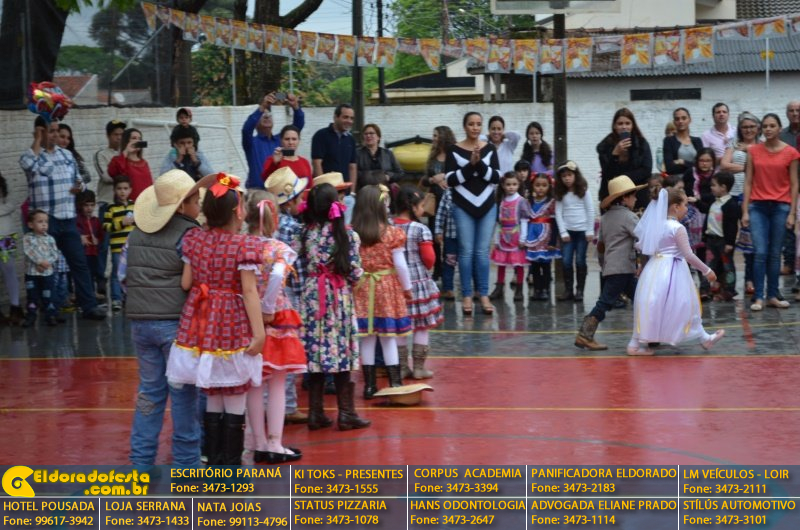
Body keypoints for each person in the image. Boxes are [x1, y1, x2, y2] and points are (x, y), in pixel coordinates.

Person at [166, 172, 265, 466]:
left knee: (213, 393)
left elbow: (186, 283)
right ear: (237, 211)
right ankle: (231, 469)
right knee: (234, 392)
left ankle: (214, 463)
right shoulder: (243, 245)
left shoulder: (194, 239)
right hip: (231, 322)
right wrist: (259, 333)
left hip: (201, 322)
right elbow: (249, 291)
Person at [125, 169, 203, 468]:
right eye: (195, 201)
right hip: (174, 324)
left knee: (149, 391)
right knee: (183, 393)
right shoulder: (190, 235)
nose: (199, 206)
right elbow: (197, 281)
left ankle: (141, 459)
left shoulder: (136, 234)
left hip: (140, 322)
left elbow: (123, 277)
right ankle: (187, 462)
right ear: (182, 206)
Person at [296, 183, 370, 431]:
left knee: (315, 353)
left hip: (311, 297)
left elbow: (296, 264)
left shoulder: (304, 233)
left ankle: (315, 413)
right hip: (337, 297)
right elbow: (355, 271)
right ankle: (346, 413)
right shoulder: (346, 235)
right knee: (341, 353)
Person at [19, 118, 106, 320]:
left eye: (57, 131)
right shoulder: (32, 156)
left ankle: (89, 306)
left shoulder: (66, 155)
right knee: (47, 267)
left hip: (68, 219)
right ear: (40, 132)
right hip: (45, 221)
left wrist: (79, 187)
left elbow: (80, 181)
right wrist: (38, 139)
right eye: (51, 131)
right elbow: (26, 164)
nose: (56, 135)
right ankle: (51, 309)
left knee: (79, 264)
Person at [243, 194, 305, 464]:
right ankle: (274, 443)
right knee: (277, 381)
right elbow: (278, 275)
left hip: (246, 314)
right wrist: (268, 306)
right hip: (276, 315)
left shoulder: (242, 245)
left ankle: (258, 443)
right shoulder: (279, 248)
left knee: (254, 382)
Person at [627, 187, 724, 355]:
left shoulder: (655, 226)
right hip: (672, 271)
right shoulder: (677, 228)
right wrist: (707, 270)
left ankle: (634, 344)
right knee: (685, 304)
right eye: (685, 204)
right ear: (675, 207)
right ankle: (704, 338)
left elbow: (644, 247)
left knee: (651, 305)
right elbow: (688, 255)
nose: (687, 208)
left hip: (654, 269)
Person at [352, 185, 412, 398]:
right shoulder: (392, 233)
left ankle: (369, 386)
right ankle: (395, 383)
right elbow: (401, 265)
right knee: (388, 338)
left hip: (362, 287)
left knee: (367, 338)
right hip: (386, 287)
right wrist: (407, 288)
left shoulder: (354, 233)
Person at [574, 175, 644, 351]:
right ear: (625, 198)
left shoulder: (605, 218)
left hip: (613, 267)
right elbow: (644, 239)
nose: (636, 199)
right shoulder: (629, 217)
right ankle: (585, 335)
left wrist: (604, 264)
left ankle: (650, 334)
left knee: (641, 299)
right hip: (623, 268)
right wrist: (643, 261)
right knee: (605, 302)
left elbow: (601, 246)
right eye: (633, 195)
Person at [742, 113, 800, 311]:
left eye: (772, 125)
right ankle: (759, 297)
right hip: (757, 207)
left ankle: (772, 295)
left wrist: (792, 213)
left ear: (779, 128)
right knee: (760, 252)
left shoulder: (791, 153)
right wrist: (745, 211)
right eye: (765, 126)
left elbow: (794, 184)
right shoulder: (753, 151)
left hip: (781, 207)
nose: (768, 129)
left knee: (775, 254)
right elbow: (748, 181)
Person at [265, 166, 310, 425]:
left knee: (268, 348)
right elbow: (298, 268)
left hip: (265, 292)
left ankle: (265, 403)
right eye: (299, 197)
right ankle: (289, 405)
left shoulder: (268, 224)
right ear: (290, 201)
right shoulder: (293, 228)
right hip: (288, 293)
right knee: (288, 346)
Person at [445, 111, 501, 316]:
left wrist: (480, 164)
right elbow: (450, 180)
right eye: (471, 124)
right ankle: (467, 295)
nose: (475, 127)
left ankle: (483, 294)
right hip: (462, 206)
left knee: (482, 252)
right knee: (466, 252)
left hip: (487, 206)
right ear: (465, 126)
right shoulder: (453, 150)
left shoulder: (490, 149)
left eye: (478, 124)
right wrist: (471, 166)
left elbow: (496, 177)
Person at [393, 186, 442, 380]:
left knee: (399, 327)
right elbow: (429, 258)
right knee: (421, 326)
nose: (423, 209)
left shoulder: (388, 226)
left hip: (394, 283)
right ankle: (419, 368)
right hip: (418, 283)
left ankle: (402, 367)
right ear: (412, 207)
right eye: (421, 206)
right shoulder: (420, 229)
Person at [721, 111, 760, 295]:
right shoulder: (733, 144)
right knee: (728, 239)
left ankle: (749, 279)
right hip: (732, 195)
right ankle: (727, 283)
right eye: (744, 127)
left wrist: (750, 152)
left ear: (757, 128)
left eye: (752, 126)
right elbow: (724, 165)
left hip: (751, 196)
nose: (748, 130)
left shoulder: (762, 145)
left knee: (749, 241)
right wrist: (747, 167)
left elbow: (762, 168)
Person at [242, 92, 305, 190]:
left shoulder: (280, 140)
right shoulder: (251, 143)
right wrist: (263, 106)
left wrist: (295, 106)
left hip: (279, 191)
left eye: (269, 115)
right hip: (258, 192)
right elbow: (246, 130)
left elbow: (296, 127)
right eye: (263, 115)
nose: (267, 116)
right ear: (255, 122)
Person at [596, 108, 653, 210]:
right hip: (613, 197)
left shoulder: (641, 143)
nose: (624, 127)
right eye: (620, 124)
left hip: (638, 196)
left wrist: (623, 179)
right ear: (614, 126)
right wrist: (614, 154)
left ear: (632, 125)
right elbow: (607, 174)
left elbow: (646, 169)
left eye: (627, 123)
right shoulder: (605, 146)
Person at [554, 161, 594, 302]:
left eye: (569, 175)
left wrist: (590, 230)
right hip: (568, 234)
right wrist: (563, 232)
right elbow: (558, 213)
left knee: (580, 261)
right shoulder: (561, 193)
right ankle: (568, 290)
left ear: (575, 175)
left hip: (582, 232)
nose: (567, 178)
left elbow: (590, 210)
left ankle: (580, 291)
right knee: (566, 261)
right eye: (564, 176)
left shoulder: (583, 191)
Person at [489, 172, 531, 302]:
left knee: (518, 265)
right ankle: (499, 287)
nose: (511, 187)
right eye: (508, 184)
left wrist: (523, 238)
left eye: (514, 184)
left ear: (519, 185)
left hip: (516, 237)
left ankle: (519, 289)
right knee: (501, 264)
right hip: (503, 236)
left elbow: (524, 221)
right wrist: (496, 239)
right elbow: (498, 223)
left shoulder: (521, 201)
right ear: (503, 185)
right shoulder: (501, 201)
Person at [423, 125, 456, 280]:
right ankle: (437, 268)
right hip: (434, 202)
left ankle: (448, 266)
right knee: (434, 235)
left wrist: (444, 176)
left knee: (449, 236)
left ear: (443, 137)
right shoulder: (433, 156)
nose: (433, 138)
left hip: (450, 201)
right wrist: (433, 179)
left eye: (436, 135)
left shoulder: (454, 155)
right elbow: (424, 179)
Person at [704, 172, 740, 301]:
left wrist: (730, 243)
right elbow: (703, 208)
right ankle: (706, 288)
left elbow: (732, 226)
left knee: (727, 266)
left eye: (714, 185)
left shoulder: (731, 205)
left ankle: (729, 289)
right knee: (709, 264)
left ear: (723, 187)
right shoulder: (714, 202)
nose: (711, 188)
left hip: (723, 241)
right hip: (711, 239)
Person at [22, 209, 60, 327]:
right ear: (30, 225)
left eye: (46, 222)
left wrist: (47, 263)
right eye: (40, 222)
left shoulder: (50, 239)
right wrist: (40, 262)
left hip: (47, 273)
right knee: (32, 296)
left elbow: (55, 253)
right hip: (32, 273)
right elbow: (29, 251)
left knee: (48, 295)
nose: (44, 225)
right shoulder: (27, 238)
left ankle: (50, 315)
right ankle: (31, 315)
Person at [103, 175, 136, 312]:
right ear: (114, 190)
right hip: (118, 247)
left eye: (125, 188)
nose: (122, 191)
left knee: (132, 272)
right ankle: (116, 298)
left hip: (132, 246)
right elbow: (106, 227)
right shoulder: (111, 208)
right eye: (119, 189)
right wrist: (121, 223)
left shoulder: (135, 206)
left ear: (130, 190)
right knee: (117, 272)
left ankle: (130, 297)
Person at [526, 172, 560, 301]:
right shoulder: (528, 202)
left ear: (549, 186)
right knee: (534, 265)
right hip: (532, 235)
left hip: (546, 236)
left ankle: (545, 289)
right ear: (533, 186)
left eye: (544, 185)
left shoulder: (552, 202)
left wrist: (553, 241)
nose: (540, 188)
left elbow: (555, 222)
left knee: (545, 265)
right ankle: (537, 290)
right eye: (538, 185)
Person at [0, 171, 23, 326]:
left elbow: (12, 203)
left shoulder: (5, 183)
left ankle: (15, 307)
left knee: (9, 269)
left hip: (6, 235)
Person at [108, 128, 153, 201]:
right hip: (128, 204)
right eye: (134, 138)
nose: (138, 141)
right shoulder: (118, 160)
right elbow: (112, 172)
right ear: (126, 141)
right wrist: (126, 151)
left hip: (145, 202)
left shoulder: (144, 162)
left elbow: (150, 184)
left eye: (139, 138)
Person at [75, 190, 104, 299]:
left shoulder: (95, 220)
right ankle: (82, 294)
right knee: (83, 274)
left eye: (92, 205)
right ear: (80, 206)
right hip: (82, 252)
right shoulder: (78, 220)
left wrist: (98, 240)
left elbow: (101, 235)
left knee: (92, 273)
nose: (89, 208)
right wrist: (80, 237)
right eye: (86, 205)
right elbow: (74, 233)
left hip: (93, 252)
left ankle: (92, 292)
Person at [356, 123, 404, 190]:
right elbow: (353, 172)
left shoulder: (388, 154)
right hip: (364, 189)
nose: (368, 136)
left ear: (378, 137)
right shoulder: (357, 153)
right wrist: (369, 177)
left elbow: (400, 173)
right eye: (366, 134)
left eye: (371, 133)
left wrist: (388, 176)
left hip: (385, 190)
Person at [663, 107, 703, 177]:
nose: (680, 121)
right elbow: (669, 168)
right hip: (677, 181)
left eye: (684, 118)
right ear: (674, 122)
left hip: (696, 180)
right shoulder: (669, 141)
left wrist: (683, 162)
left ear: (690, 120)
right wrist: (693, 165)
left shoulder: (697, 141)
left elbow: (702, 165)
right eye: (677, 119)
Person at [95, 119, 126, 207]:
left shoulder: (126, 153)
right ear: (108, 136)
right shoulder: (101, 154)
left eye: (121, 134)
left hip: (125, 202)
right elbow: (106, 178)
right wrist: (125, 178)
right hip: (107, 202)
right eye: (116, 134)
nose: (119, 137)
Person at [434, 187, 457, 301]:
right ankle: (448, 289)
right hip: (451, 235)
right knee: (449, 261)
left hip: (469, 237)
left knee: (470, 262)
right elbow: (441, 212)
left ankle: (477, 290)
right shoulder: (448, 192)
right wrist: (438, 230)